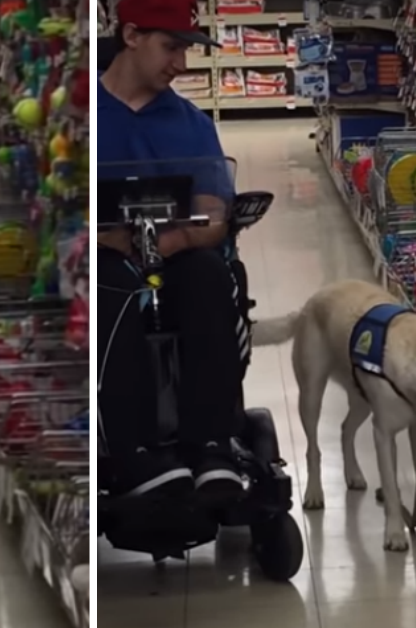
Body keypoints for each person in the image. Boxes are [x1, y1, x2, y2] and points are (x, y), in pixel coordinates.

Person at [98, 0, 248, 504]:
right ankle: (133, 448)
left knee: (208, 277)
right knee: (106, 287)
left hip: (173, 251)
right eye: (171, 47)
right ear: (132, 34)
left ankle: (210, 443)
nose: (181, 64)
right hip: (102, 257)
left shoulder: (190, 123)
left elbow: (211, 214)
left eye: (186, 50)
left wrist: (170, 242)